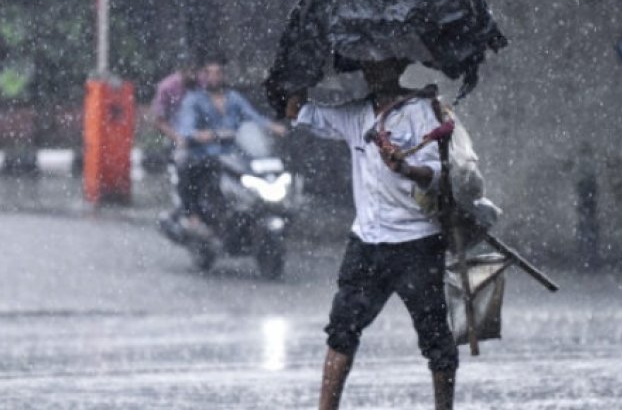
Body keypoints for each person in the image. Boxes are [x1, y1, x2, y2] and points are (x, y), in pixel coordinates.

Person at [283, 58, 458, 410]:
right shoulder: (355, 115)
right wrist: (301, 69)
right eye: (369, 66)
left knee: (436, 339)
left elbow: (438, 172)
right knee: (341, 332)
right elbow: (298, 112)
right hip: (367, 244)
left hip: (417, 244)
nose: (374, 72)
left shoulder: (420, 111)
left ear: (398, 67)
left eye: (382, 65)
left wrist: (405, 167)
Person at [176, 55, 286, 234]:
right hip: (205, 154)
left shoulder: (234, 98)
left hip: (233, 154)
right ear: (204, 75)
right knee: (191, 172)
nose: (214, 77)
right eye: (210, 73)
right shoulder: (194, 100)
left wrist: (273, 127)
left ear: (224, 75)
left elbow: (252, 116)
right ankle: (193, 214)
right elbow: (186, 129)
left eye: (218, 73)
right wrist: (201, 135)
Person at [150, 56, 201, 148]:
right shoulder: (167, 87)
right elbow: (158, 120)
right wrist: (177, 137)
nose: (194, 76)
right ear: (182, 71)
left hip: (200, 133)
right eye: (191, 72)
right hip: (175, 133)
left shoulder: (201, 81)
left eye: (195, 72)